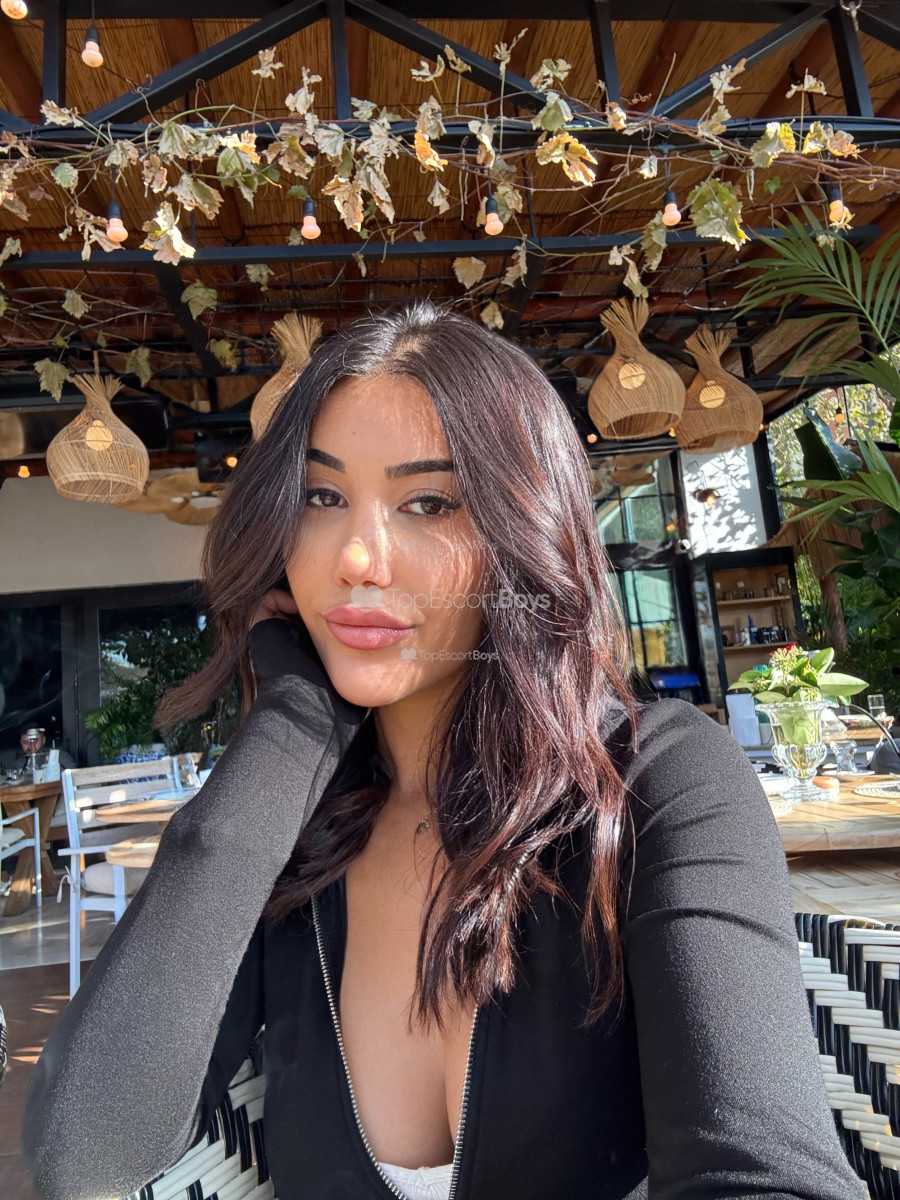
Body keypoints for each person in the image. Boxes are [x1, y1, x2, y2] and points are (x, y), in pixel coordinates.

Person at [21, 301, 865, 1200]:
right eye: (322, 497)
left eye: (428, 502)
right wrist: (290, 726)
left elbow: (762, 1173)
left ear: (521, 533)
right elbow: (85, 1152)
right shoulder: (289, 831)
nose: (357, 558)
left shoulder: (659, 780)